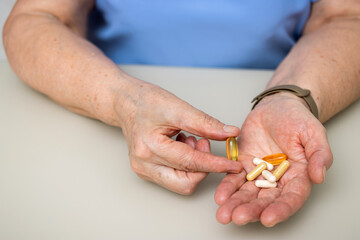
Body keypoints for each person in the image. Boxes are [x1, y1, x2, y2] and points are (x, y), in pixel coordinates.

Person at [3, 0, 360, 227]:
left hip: (277, 75)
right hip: (103, 94)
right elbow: (34, 18)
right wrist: (125, 102)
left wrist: (290, 95)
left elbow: (346, 16)